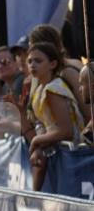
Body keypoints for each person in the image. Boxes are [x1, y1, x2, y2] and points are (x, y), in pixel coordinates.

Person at [24, 42, 85, 190]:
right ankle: (34, 197)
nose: (32, 65)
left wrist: (37, 141)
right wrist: (39, 146)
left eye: (38, 61)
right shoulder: (39, 89)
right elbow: (43, 125)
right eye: (30, 61)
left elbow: (66, 131)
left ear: (52, 64)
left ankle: (34, 198)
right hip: (56, 150)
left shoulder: (53, 89)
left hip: (72, 154)